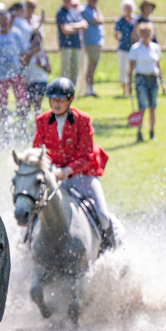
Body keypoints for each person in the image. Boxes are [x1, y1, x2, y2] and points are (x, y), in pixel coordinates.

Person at [31, 77, 120, 249]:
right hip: (53, 178)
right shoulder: (42, 120)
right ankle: (27, 247)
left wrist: (68, 170)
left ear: (70, 99)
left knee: (102, 215)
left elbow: (87, 155)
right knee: (32, 211)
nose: (56, 104)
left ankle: (110, 252)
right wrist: (51, 170)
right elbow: (37, 152)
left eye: (61, 100)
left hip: (82, 175)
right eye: (53, 100)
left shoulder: (83, 120)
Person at [0, 13, 26, 117]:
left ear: (10, 20)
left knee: (21, 100)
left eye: (7, 19)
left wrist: (24, 71)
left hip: (16, 72)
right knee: (2, 101)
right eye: (3, 20)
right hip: (0, 74)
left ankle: (22, 125)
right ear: (0, 21)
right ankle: (4, 123)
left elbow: (22, 54)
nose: (6, 22)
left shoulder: (16, 34)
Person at [129, 23, 162, 141]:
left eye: (149, 32)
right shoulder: (135, 48)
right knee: (142, 107)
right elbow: (131, 67)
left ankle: (152, 131)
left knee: (152, 106)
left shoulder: (155, 48)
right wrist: (129, 83)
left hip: (153, 78)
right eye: (144, 32)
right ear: (140, 34)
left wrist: (162, 81)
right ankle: (139, 132)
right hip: (141, 79)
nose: (147, 35)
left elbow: (158, 65)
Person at [55, 0, 86, 94]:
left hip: (76, 45)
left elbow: (84, 24)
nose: (68, 0)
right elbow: (65, 30)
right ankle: (63, 90)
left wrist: (72, 26)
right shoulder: (60, 13)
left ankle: (71, 91)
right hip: (66, 45)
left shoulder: (74, 12)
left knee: (74, 69)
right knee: (66, 69)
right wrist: (77, 26)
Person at [81, 0, 105, 98]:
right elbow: (99, 21)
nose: (95, 2)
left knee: (93, 66)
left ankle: (90, 88)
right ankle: (89, 89)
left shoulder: (93, 10)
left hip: (96, 41)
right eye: (93, 0)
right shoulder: (86, 10)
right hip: (91, 42)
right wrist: (97, 9)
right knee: (91, 66)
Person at [22, 31, 53, 112]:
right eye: (35, 40)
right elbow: (24, 64)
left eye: (38, 40)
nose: (37, 42)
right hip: (30, 81)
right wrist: (32, 53)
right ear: (31, 41)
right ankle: (23, 123)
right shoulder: (28, 52)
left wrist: (42, 65)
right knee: (28, 103)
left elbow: (49, 70)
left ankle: (37, 122)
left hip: (41, 80)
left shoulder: (44, 54)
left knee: (38, 104)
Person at [114, 0, 137, 99]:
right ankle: (124, 89)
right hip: (123, 48)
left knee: (134, 69)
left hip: (134, 48)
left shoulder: (136, 19)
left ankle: (132, 86)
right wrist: (121, 40)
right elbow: (116, 33)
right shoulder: (120, 20)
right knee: (123, 68)